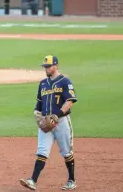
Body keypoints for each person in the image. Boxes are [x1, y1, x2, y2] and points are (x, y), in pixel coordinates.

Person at [20, 55, 77, 191]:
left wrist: (57, 116)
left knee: (66, 152)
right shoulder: (43, 83)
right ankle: (33, 180)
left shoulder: (65, 81)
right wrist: (37, 114)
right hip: (46, 123)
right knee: (42, 151)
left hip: (61, 122)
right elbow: (39, 103)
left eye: (48, 66)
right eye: (45, 66)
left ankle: (71, 180)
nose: (46, 69)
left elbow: (69, 101)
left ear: (56, 66)